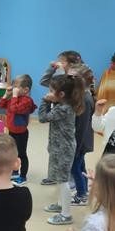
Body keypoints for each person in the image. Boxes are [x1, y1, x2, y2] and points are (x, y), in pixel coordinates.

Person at [39, 75, 85, 225]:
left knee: (63, 180)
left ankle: (66, 215)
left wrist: (45, 100)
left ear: (61, 94)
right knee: (60, 179)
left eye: (51, 91)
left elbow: (42, 118)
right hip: (59, 147)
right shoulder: (62, 105)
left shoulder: (64, 108)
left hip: (63, 149)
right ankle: (60, 204)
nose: (49, 93)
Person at [39, 50, 82, 185]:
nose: (59, 63)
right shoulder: (60, 80)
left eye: (62, 61)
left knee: (73, 161)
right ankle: (55, 177)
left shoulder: (74, 81)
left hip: (68, 134)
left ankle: (75, 182)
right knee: (55, 158)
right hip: (58, 133)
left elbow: (42, 118)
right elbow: (44, 81)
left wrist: (45, 100)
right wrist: (52, 69)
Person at [0, 74, 37, 185]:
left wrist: (14, 96)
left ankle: (23, 176)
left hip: (21, 133)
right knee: (13, 153)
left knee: (22, 154)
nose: (14, 88)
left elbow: (15, 109)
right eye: (13, 86)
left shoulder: (27, 101)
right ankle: (15, 171)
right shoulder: (14, 98)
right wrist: (6, 94)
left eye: (16, 86)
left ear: (26, 89)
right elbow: (0, 105)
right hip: (12, 131)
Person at [69, 64, 95, 205]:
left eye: (73, 77)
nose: (70, 80)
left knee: (75, 168)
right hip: (81, 141)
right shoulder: (83, 96)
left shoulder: (85, 99)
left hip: (80, 142)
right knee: (80, 167)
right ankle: (83, 191)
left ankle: (81, 195)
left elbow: (82, 127)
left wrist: (77, 147)